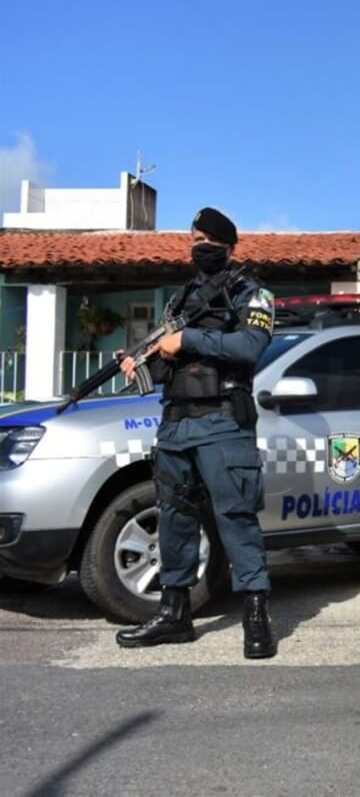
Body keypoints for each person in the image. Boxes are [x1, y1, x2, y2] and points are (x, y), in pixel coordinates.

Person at [115, 207, 279, 658]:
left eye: (207, 238)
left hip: (224, 422)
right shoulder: (179, 300)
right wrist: (145, 364)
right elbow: (170, 365)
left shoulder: (253, 293)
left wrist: (188, 341)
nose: (199, 245)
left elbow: (249, 348)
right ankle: (175, 614)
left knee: (236, 517)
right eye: (195, 237)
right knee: (174, 519)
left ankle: (256, 617)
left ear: (228, 244)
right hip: (176, 425)